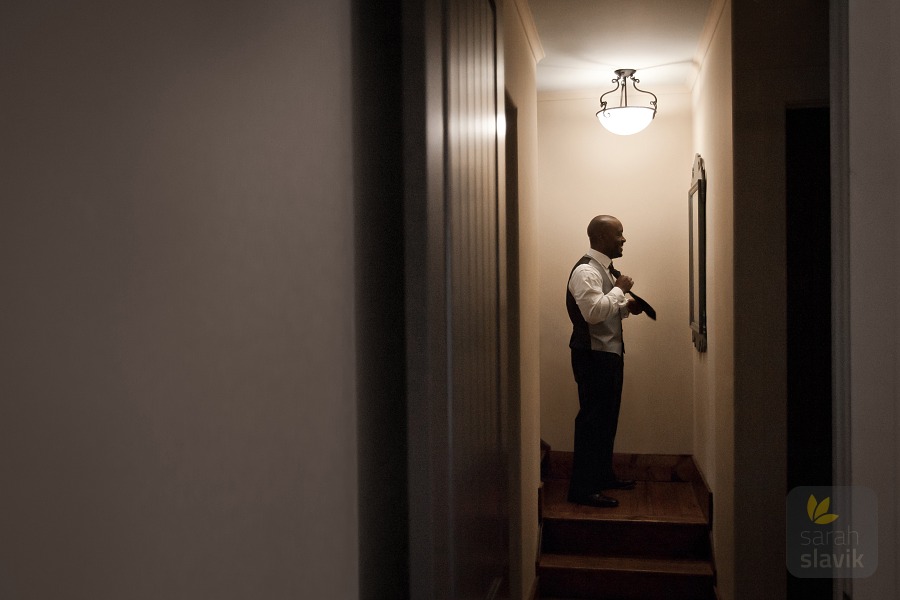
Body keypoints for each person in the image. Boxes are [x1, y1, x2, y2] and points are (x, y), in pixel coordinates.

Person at [565, 215, 643, 508]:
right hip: (593, 356)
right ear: (599, 237)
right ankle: (583, 490)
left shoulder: (602, 269)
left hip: (607, 354)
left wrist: (625, 308)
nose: (624, 239)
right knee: (592, 421)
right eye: (619, 234)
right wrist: (620, 289)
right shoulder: (586, 270)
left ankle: (602, 475)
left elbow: (603, 308)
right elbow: (593, 313)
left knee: (607, 420)